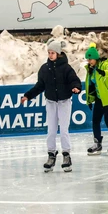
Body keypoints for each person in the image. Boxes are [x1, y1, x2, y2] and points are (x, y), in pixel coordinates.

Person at [24, 39, 81, 172]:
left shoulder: (66, 68)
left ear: (58, 53)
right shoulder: (45, 69)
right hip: (50, 102)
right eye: (49, 52)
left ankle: (66, 155)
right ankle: (51, 154)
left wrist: (76, 87)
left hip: (64, 102)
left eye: (53, 53)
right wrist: (28, 95)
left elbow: (74, 80)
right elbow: (40, 86)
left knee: (64, 130)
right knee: (51, 131)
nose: (50, 55)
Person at [83, 43, 108, 157]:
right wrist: (89, 100)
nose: (89, 61)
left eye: (90, 59)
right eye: (87, 59)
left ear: (95, 58)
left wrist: (104, 73)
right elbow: (90, 85)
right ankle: (97, 144)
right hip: (100, 99)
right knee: (95, 120)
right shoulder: (90, 69)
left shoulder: (105, 64)